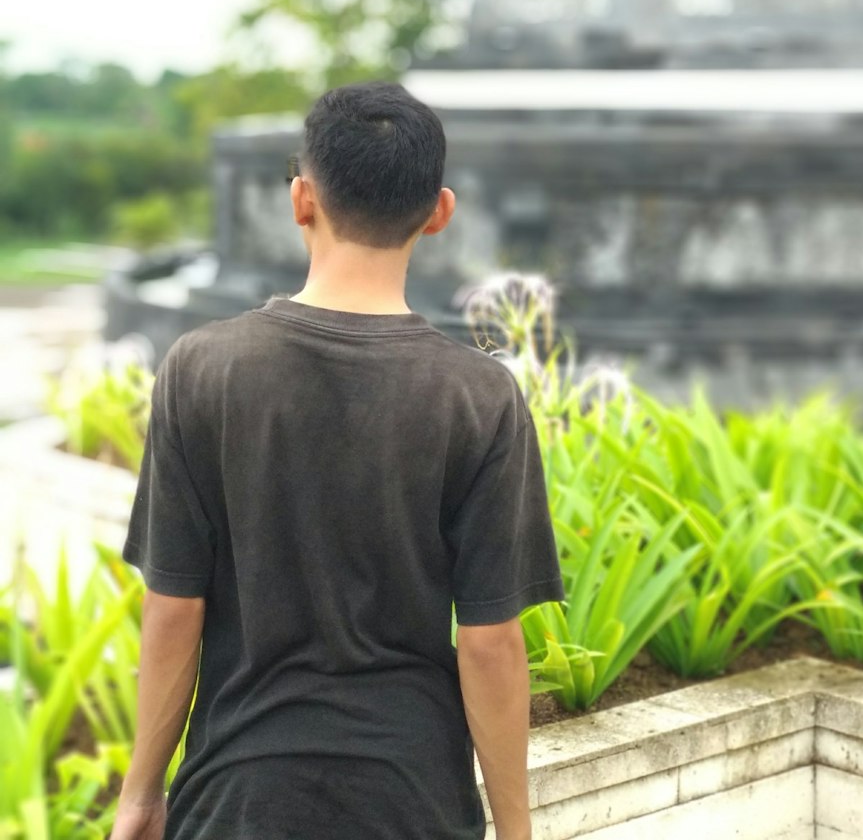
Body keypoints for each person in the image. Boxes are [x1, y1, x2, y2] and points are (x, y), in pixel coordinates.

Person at [110, 81, 565, 840]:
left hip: (239, 797)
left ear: (301, 199)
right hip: (412, 799)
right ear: (439, 213)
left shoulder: (200, 370)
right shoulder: (479, 398)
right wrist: (515, 832)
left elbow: (174, 609)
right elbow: (490, 644)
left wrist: (140, 797)